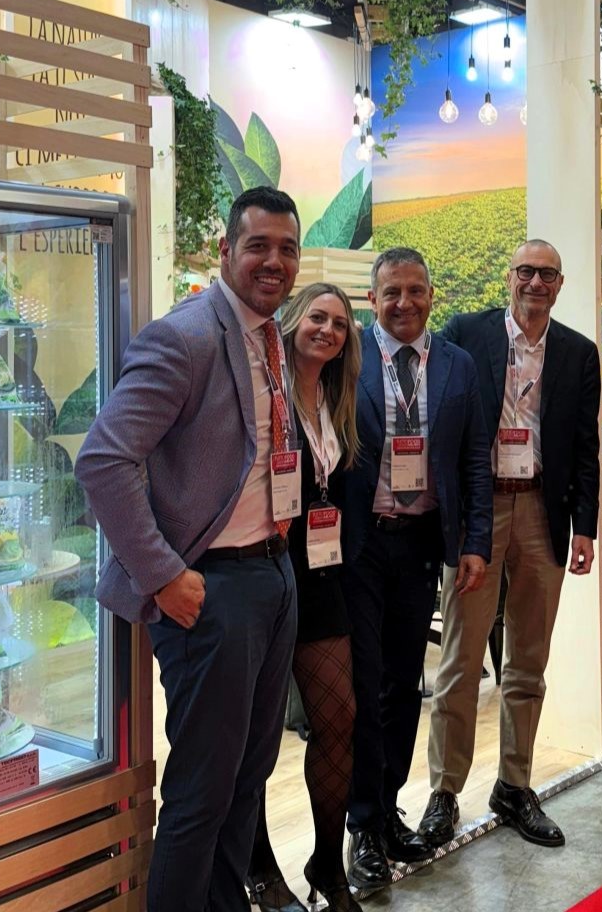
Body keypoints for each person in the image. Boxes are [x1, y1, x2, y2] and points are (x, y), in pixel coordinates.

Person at [76, 187, 303, 912]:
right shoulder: (185, 337)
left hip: (271, 574)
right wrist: (163, 575)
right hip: (209, 592)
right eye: (258, 246)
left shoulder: (269, 335)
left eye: (287, 249)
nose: (273, 262)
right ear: (226, 251)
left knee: (247, 779)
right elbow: (103, 459)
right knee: (203, 794)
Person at [418, 239, 601, 849]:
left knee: (528, 661)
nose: (536, 283)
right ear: (508, 277)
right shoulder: (465, 336)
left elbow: (585, 447)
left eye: (548, 274)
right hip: (480, 512)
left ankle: (514, 784)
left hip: (543, 512)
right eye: (527, 271)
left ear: (560, 284)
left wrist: (584, 525)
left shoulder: (578, 352)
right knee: (461, 658)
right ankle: (445, 792)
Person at [339, 247, 494, 891]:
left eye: (415, 290)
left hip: (422, 542)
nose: (404, 302)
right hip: (359, 544)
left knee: (405, 684)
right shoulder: (345, 357)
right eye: (392, 292)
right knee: (363, 685)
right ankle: (361, 825)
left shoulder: (458, 364)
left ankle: (387, 808)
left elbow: (476, 459)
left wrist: (475, 540)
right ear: (372, 300)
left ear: (432, 295)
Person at [247, 284, 364, 912]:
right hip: (264, 567)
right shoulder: (267, 390)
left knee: (338, 716)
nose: (328, 330)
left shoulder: (337, 401)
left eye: (340, 323)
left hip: (322, 573)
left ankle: (326, 861)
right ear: (292, 321)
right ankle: (259, 865)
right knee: (258, 734)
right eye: (317, 317)